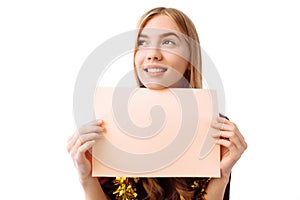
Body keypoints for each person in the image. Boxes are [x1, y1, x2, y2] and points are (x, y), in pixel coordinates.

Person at [67, 7, 247, 200]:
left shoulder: (215, 127)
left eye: (168, 42)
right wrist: (86, 178)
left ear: (190, 60)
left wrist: (222, 175)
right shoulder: (111, 122)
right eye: (142, 43)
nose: (152, 54)